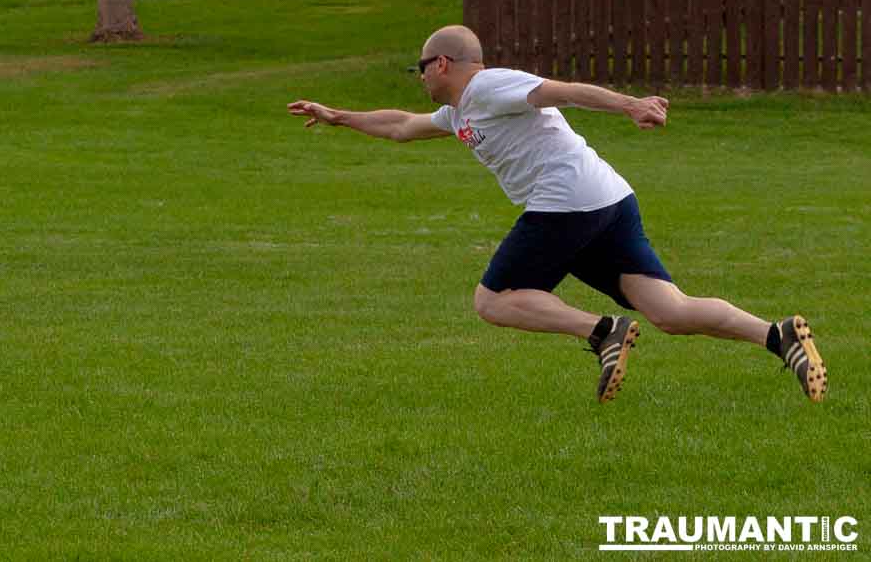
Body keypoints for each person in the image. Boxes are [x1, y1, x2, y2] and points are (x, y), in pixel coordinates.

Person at [287, 25, 827, 404]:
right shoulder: (459, 111)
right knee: (670, 311)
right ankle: (779, 337)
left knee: (492, 300)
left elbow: (561, 92)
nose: (419, 77)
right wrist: (337, 117)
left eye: (420, 68)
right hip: (607, 200)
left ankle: (602, 332)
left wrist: (630, 104)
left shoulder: (491, 86)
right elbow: (401, 125)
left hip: (567, 200)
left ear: (443, 63)